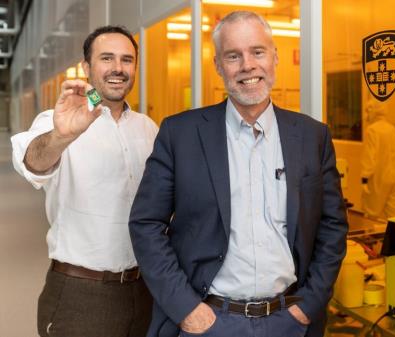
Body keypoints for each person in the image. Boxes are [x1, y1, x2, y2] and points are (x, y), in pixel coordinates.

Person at [129, 11, 348, 337]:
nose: (248, 65)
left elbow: (332, 227)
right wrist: (187, 309)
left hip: (289, 319)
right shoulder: (181, 134)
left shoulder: (312, 136)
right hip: (211, 321)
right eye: (234, 56)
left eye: (258, 52)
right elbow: (145, 224)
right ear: (218, 65)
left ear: (275, 57)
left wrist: (309, 305)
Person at [11, 26, 157, 337]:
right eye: (107, 58)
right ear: (87, 67)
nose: (118, 68)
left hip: (143, 289)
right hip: (81, 293)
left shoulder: (148, 129)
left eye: (127, 60)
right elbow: (33, 163)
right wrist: (61, 136)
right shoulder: (57, 121)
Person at [360, 100, 395, 219]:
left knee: (371, 214)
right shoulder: (394, 130)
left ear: (373, 111)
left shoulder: (372, 130)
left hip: (378, 179)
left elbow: (370, 158)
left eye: (367, 111)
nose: (366, 115)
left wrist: (364, 178)